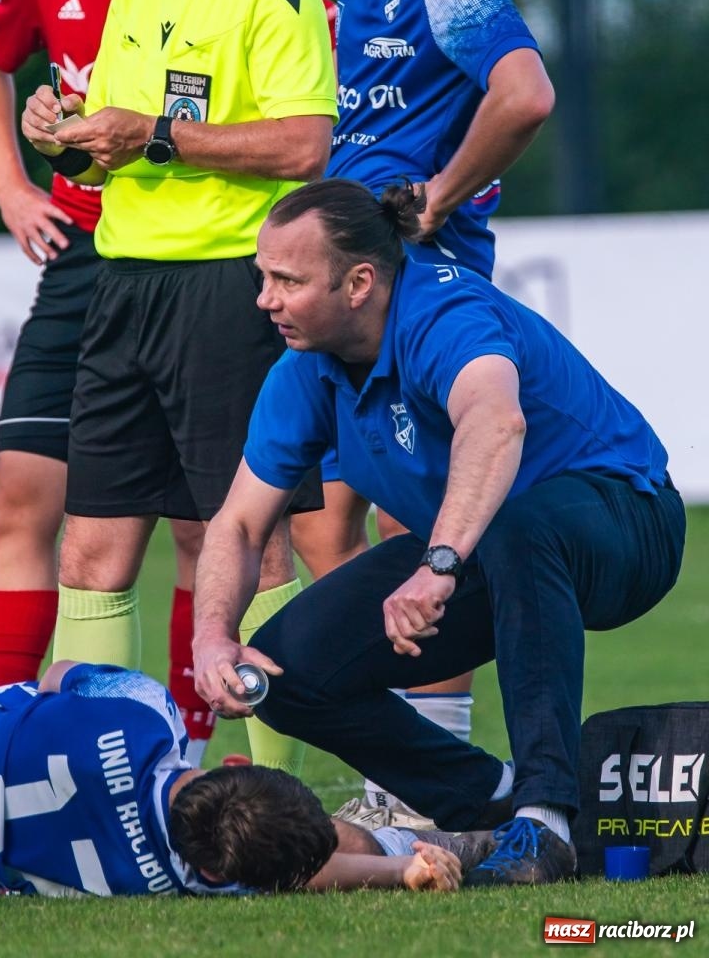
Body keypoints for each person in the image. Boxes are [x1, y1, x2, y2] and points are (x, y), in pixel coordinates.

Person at [191, 179, 686, 887]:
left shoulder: (444, 312)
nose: (265, 298)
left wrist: (439, 562)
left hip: (629, 526)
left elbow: (496, 423)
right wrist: (214, 634)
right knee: (287, 672)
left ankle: (547, 823)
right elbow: (238, 524)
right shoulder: (302, 369)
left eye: (287, 280)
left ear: (359, 282)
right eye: (263, 276)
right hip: (494, 549)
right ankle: (493, 802)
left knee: (520, 522)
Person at [19, 0, 338, 777]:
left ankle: (271, 809)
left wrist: (153, 133)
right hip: (122, 287)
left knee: (251, 549)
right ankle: (91, 796)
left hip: (223, 295)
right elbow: (110, 144)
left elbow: (303, 144)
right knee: (90, 554)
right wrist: (64, 138)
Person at [288, 0, 556, 821]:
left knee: (408, 516)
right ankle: (394, 778)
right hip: (346, 273)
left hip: (414, 280)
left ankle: (425, 790)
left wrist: (440, 190)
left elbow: (523, 91)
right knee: (318, 518)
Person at [0, 0, 219, 768]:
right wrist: (14, 186)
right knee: (18, 497)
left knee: (200, 528)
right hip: (81, 260)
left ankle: (186, 760)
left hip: (187, 267)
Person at [0, 660, 482, 897]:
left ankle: (438, 842)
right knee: (340, 839)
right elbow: (302, 874)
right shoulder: (178, 876)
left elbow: (56, 677)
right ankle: (467, 840)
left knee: (54, 697)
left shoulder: (149, 713)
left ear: (231, 768)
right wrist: (395, 873)